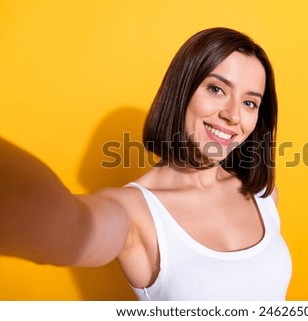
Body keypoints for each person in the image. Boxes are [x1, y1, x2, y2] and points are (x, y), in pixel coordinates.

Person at [0, 27, 292, 300]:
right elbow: (75, 228)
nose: (234, 115)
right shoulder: (133, 212)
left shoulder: (263, 194)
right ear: (182, 92)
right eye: (216, 89)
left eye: (249, 103)